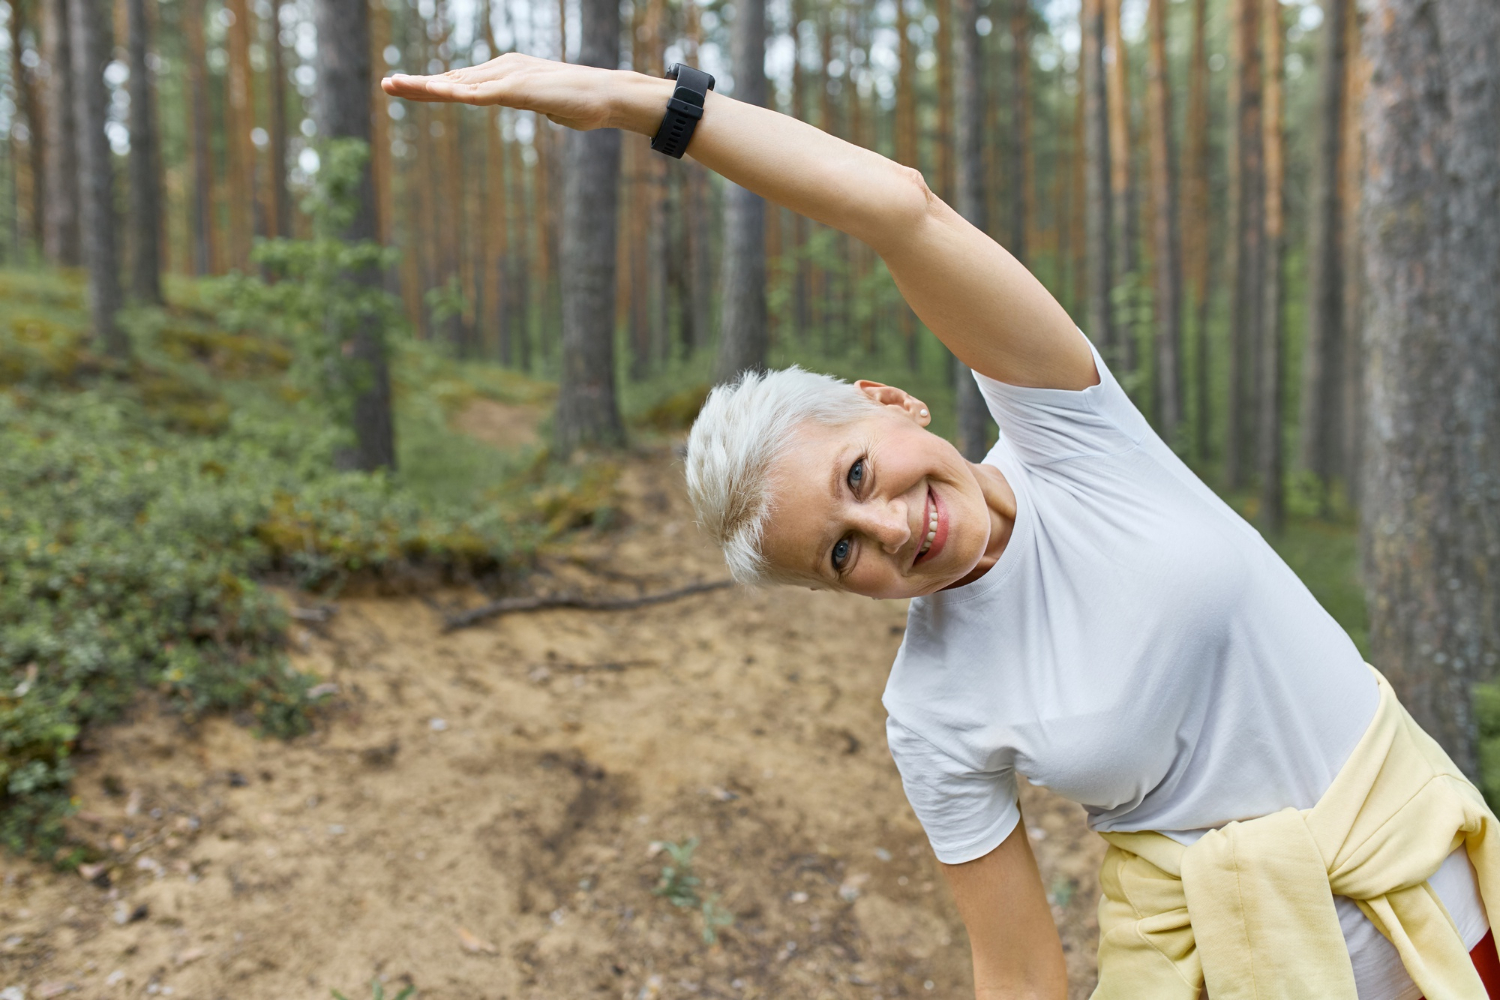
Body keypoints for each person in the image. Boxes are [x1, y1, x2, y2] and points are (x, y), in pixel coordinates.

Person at [384, 55, 1500, 1000]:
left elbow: (895, 205)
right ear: (836, 595)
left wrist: (629, 102)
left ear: (894, 401)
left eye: (860, 472)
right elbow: (1015, 970)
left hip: (1447, 921)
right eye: (840, 552)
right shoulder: (931, 711)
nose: (888, 528)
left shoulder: (1074, 436)